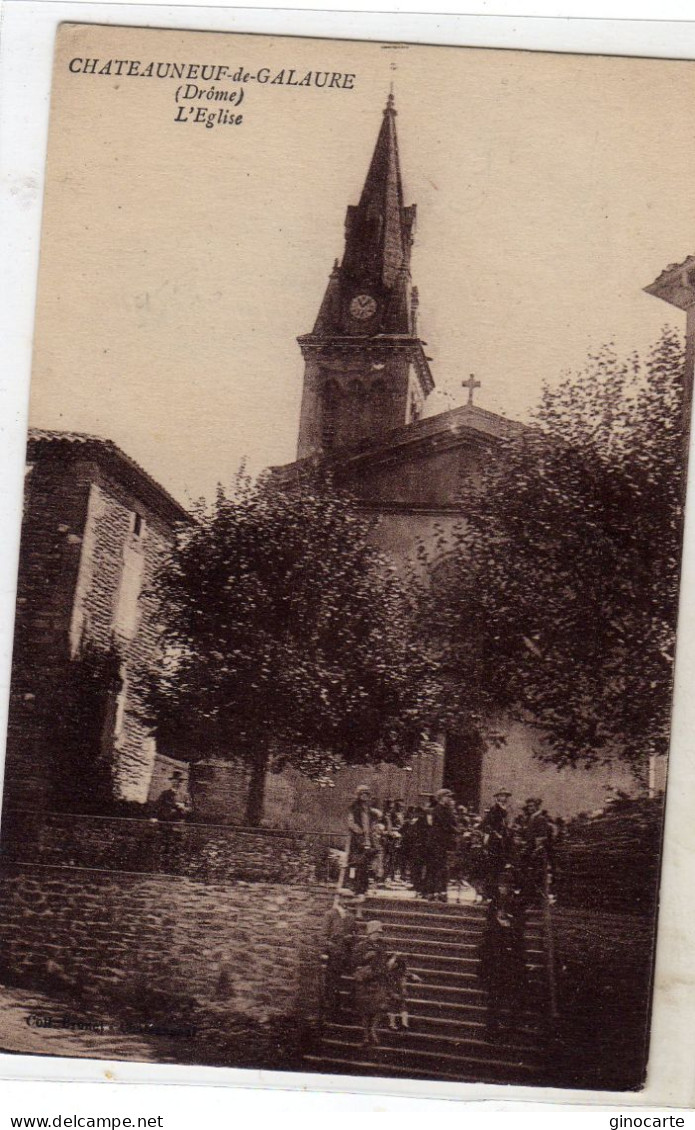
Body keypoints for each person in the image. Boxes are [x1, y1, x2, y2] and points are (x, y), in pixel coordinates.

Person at [478, 867, 529, 1041]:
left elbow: (520, 927)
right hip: (496, 955)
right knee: (495, 996)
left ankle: (511, 1030)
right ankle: (491, 1030)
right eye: (501, 886)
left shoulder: (516, 903)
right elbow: (489, 926)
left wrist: (509, 923)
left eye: (506, 886)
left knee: (513, 994)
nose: (503, 889)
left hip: (512, 955)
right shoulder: (494, 904)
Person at [352, 920, 392, 1046]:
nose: (378, 935)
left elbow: (384, 963)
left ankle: (373, 1030)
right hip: (365, 982)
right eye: (375, 932)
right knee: (365, 1010)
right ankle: (365, 1035)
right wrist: (366, 957)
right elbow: (353, 962)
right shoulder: (361, 946)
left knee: (380, 1007)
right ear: (370, 932)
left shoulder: (383, 946)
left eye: (379, 933)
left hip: (378, 981)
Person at [322, 888, 358, 1016]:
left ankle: (348, 1006)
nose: (347, 901)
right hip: (334, 956)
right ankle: (333, 1010)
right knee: (333, 983)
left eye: (349, 899)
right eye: (345, 898)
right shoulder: (330, 915)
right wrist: (334, 949)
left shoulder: (351, 917)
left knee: (358, 978)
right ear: (339, 899)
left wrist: (351, 939)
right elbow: (324, 938)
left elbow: (355, 936)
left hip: (348, 955)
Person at [423, 788, 457, 901]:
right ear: (441, 798)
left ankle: (440, 892)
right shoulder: (437, 810)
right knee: (435, 867)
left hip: (442, 843)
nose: (450, 799)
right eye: (448, 797)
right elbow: (446, 825)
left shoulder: (448, 810)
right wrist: (456, 830)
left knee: (441, 868)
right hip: (436, 843)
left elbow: (453, 823)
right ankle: (432, 892)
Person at [481, 788, 512, 900]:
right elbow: (487, 824)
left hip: (501, 841)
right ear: (498, 797)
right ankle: (489, 892)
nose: (504, 798)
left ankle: (493, 892)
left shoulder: (505, 809)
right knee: (493, 867)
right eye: (502, 796)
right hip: (495, 841)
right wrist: (496, 833)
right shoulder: (495, 809)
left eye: (506, 796)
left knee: (498, 867)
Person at [346, 785, 378, 896]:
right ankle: (356, 887)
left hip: (367, 838)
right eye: (362, 794)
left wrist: (372, 829)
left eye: (366, 794)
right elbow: (351, 823)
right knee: (357, 863)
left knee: (365, 864)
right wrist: (359, 831)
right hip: (358, 839)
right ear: (359, 795)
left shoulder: (369, 810)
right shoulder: (354, 808)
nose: (364, 796)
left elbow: (372, 823)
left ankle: (364, 887)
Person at [385, 952, 422, 1031]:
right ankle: (397, 1023)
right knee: (396, 1005)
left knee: (399, 1006)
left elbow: (411, 975)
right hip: (395, 991)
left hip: (398, 991)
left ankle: (401, 1023)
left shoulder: (400, 972)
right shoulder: (392, 973)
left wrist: (416, 978)